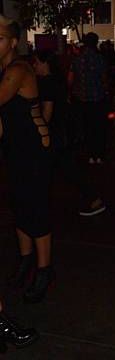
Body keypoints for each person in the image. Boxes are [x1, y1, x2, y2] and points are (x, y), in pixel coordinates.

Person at [0, 15, 55, 303]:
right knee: (20, 207)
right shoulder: (5, 69)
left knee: (36, 209)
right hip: (16, 149)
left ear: (11, 43)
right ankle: (25, 261)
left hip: (34, 149)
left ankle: (44, 270)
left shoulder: (18, 69)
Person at [33, 50, 106, 217]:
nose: (34, 66)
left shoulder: (47, 82)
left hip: (55, 133)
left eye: (36, 62)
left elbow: (47, 113)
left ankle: (94, 198)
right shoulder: (56, 80)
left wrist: (40, 133)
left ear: (45, 64)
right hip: (62, 131)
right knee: (65, 168)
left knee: (64, 169)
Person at [69, 32, 108, 164]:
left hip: (82, 99)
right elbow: (104, 79)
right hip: (98, 98)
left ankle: (90, 155)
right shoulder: (100, 59)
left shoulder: (77, 59)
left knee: (86, 128)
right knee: (98, 127)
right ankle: (99, 155)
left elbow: (71, 80)